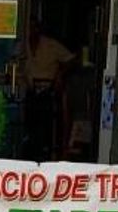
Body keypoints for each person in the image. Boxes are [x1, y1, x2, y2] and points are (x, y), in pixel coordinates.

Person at [18, 20, 76, 161]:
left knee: (46, 126)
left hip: (47, 91)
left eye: (34, 28)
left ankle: (45, 153)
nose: (31, 31)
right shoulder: (22, 45)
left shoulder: (50, 45)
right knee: (29, 124)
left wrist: (59, 76)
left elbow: (71, 59)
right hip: (30, 91)